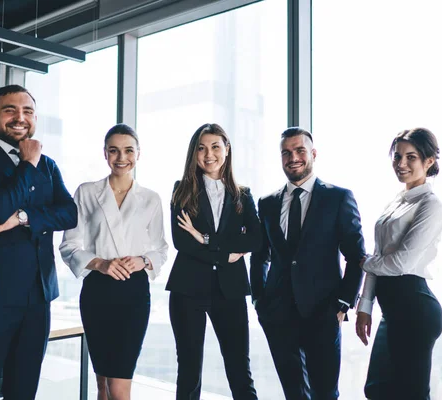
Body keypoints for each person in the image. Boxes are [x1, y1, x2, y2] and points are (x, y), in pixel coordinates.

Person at [0, 84, 78, 399]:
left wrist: (21, 218)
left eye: (28, 111)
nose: (20, 118)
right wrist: (28, 165)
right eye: (10, 110)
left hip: (37, 296)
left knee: (23, 388)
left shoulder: (47, 164)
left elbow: (68, 214)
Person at [250, 127, 366, 400]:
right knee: (293, 394)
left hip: (323, 312)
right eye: (286, 153)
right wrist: (259, 300)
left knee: (325, 394)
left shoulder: (338, 198)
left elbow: (356, 255)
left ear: (313, 154)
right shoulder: (267, 203)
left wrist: (343, 304)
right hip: (278, 314)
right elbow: (260, 257)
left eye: (300, 150)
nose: (293, 157)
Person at [60, 123, 168, 400]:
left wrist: (142, 260)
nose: (122, 157)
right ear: (105, 154)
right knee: (102, 385)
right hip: (98, 290)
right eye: (114, 151)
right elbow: (69, 245)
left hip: (134, 293)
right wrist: (100, 263)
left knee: (119, 388)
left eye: (128, 150)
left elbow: (161, 249)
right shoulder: (86, 192)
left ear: (139, 154)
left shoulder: (151, 199)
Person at [167, 123, 261, 400]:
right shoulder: (181, 190)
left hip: (229, 291)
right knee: (189, 370)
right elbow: (182, 242)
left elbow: (255, 241)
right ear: (194, 153)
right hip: (188, 289)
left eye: (215, 146)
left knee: (239, 369)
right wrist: (227, 251)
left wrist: (204, 238)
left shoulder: (242, 195)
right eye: (202, 148)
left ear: (227, 149)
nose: (209, 154)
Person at [355, 127, 442, 400]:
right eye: (397, 157)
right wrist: (365, 306)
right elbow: (378, 255)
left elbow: (401, 263)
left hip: (415, 309)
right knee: (377, 390)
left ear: (428, 162)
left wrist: (365, 262)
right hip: (392, 312)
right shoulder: (395, 203)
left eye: (411, 157)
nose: (401, 164)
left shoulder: (430, 205)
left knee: (410, 394)